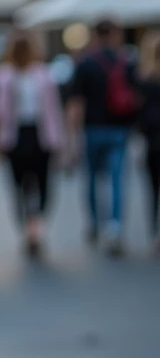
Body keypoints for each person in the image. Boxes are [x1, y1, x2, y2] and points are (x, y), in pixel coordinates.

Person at [66, 18, 141, 253]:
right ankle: (115, 226)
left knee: (91, 179)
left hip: (93, 129)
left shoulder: (86, 64)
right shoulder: (125, 62)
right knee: (118, 179)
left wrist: (71, 136)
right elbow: (136, 98)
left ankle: (94, 222)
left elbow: (76, 104)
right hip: (119, 129)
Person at [0, 32, 65, 256]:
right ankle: (27, 225)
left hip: (39, 134)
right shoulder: (2, 76)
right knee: (18, 185)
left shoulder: (43, 75)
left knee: (43, 183)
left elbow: (53, 109)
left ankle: (36, 225)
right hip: (14, 136)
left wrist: (59, 140)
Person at [135, 31, 160, 253]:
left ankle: (155, 232)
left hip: (153, 142)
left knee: (153, 190)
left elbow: (139, 115)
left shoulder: (144, 80)